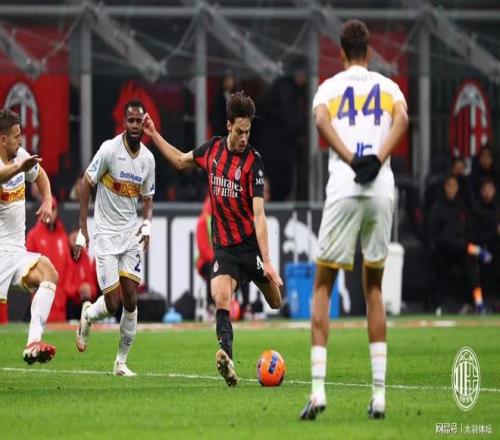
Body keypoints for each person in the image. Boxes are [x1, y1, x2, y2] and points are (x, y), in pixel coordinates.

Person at [299, 20, 409, 421]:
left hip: (345, 186)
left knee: (322, 285)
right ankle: (379, 396)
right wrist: (376, 159)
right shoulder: (389, 87)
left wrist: (352, 160)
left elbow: (321, 122)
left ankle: (317, 391)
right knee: (374, 287)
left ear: (342, 53)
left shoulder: (329, 87)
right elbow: (402, 120)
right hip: (381, 189)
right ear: (370, 51)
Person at [142, 91, 282, 387]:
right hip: (225, 248)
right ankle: (227, 359)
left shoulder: (254, 163)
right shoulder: (212, 150)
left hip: (250, 247)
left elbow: (259, 215)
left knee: (276, 302)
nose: (244, 138)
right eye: (240, 131)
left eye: (248, 132)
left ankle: (252, 278)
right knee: (220, 295)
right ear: (229, 125)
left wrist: (267, 261)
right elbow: (179, 160)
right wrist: (153, 134)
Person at [74, 100, 155, 376]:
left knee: (131, 300)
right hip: (106, 235)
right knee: (112, 304)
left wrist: (147, 223)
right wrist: (83, 228)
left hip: (130, 235)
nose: (134, 126)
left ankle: (121, 362)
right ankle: (88, 314)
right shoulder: (109, 150)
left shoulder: (148, 160)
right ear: (124, 123)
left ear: (144, 124)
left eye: (138, 121)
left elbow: (148, 197)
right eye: (130, 121)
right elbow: (87, 183)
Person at [0, 108, 59, 363]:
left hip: (16, 252)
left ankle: (33, 342)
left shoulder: (20, 157)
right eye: (16, 136)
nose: (21, 140)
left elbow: (40, 174)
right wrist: (19, 169)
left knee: (49, 273)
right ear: (3, 140)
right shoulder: (14, 164)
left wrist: (46, 199)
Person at [26, 196, 70, 322]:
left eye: (53, 209)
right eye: (48, 208)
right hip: (41, 297)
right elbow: (28, 268)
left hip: (60, 302)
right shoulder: (33, 235)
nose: (50, 212)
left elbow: (68, 266)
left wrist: (65, 291)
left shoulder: (62, 236)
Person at [65, 228, 98, 321]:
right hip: (69, 307)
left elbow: (93, 287)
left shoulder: (85, 258)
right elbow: (65, 288)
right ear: (68, 239)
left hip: (84, 304)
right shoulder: (66, 258)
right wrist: (79, 289)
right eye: (74, 239)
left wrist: (89, 289)